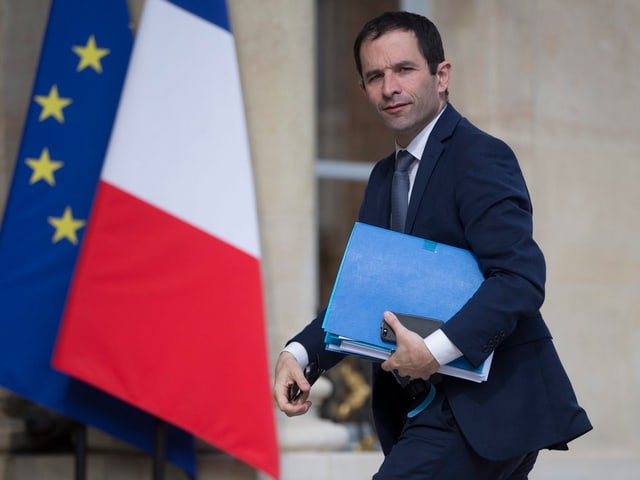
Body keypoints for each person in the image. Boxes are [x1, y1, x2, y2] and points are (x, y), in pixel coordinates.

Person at [273, 10, 591, 479]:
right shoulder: (383, 177)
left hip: (486, 408)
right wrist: (299, 355)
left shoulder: (480, 157)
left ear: (441, 76)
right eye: (375, 76)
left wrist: (435, 350)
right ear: (364, 91)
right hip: (428, 411)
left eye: (404, 69)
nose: (390, 87)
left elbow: (519, 280)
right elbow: (366, 295)